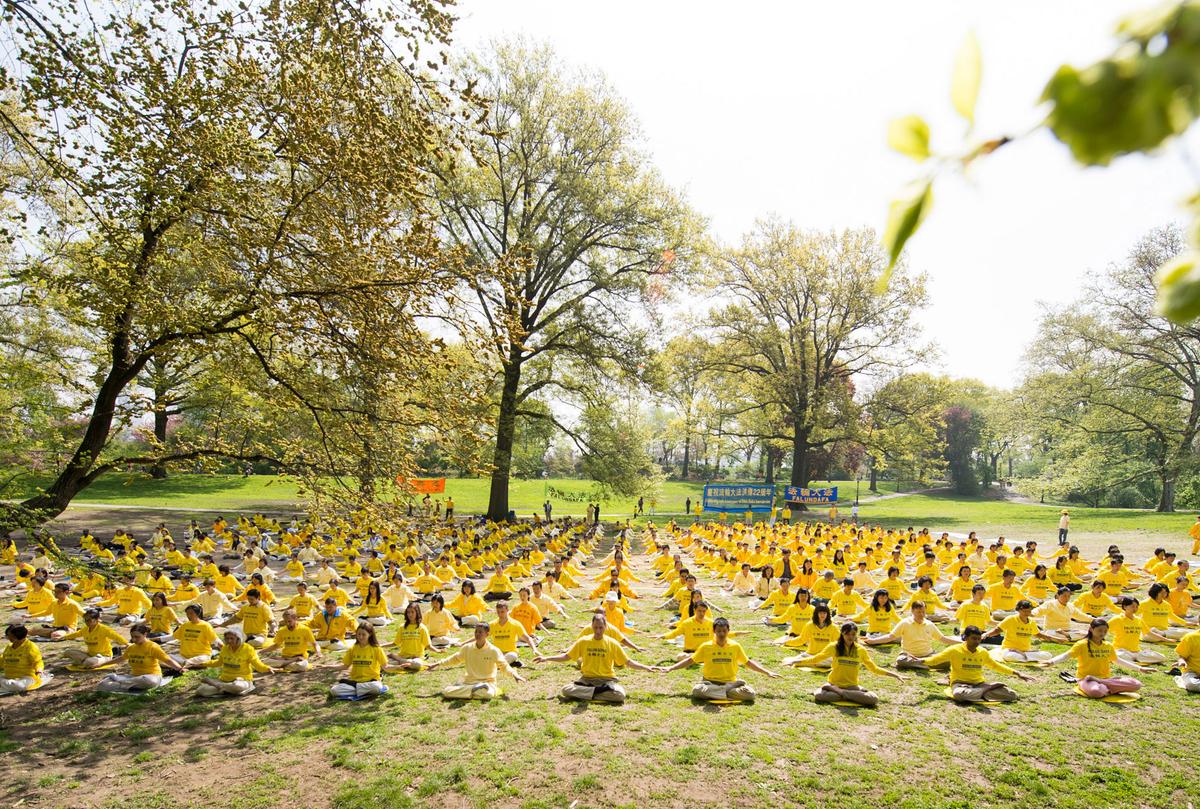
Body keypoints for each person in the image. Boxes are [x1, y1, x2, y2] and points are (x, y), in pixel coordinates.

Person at [534, 612, 656, 704]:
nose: (598, 630)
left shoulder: (612, 643)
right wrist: (547, 658)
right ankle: (596, 692)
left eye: (601, 627)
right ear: (591, 626)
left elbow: (628, 662)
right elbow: (566, 657)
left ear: (605, 627)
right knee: (565, 690)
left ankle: (588, 693)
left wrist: (647, 667)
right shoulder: (584, 641)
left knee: (620, 695)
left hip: (606, 681)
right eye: (596, 627)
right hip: (587, 680)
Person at [658, 617, 778, 702]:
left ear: (728, 631)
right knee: (697, 691)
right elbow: (690, 661)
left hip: (730, 683)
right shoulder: (706, 646)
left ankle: (719, 693)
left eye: (724, 631)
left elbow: (748, 663)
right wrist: (671, 668)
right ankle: (724, 692)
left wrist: (767, 672)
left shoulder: (735, 646)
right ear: (714, 631)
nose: (721, 634)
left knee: (750, 695)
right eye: (719, 631)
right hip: (709, 683)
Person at [787, 622, 904, 707]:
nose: (851, 637)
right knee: (818, 695)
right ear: (842, 634)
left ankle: (840, 692)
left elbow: (873, 668)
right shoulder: (834, 647)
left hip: (851, 686)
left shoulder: (860, 650)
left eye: (853, 635)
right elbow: (816, 659)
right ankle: (846, 693)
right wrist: (796, 661)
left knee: (874, 699)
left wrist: (894, 675)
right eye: (848, 634)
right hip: (834, 683)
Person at [924, 625, 1033, 703]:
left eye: (979, 639)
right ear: (966, 638)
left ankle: (981, 691)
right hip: (961, 684)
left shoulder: (982, 652)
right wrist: (921, 661)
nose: (976, 642)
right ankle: (986, 690)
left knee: (1011, 695)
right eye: (973, 639)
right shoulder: (954, 650)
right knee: (958, 695)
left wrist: (1017, 673)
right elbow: (935, 660)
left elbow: (995, 665)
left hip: (978, 684)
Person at [1047, 618, 1151, 699]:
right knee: (1096, 692)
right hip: (1086, 680)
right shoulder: (1082, 644)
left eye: (1105, 631)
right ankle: (1109, 687)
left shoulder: (1108, 645)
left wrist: (1140, 669)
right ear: (1091, 629)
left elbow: (1117, 660)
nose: (1102, 633)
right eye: (1099, 630)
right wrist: (1052, 662)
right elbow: (1066, 655)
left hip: (1105, 679)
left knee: (1137, 685)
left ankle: (1104, 685)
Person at [428, 622, 526, 699]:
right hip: (469, 683)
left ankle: (465, 691)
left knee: (488, 694)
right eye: (476, 631)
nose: (477, 634)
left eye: (480, 632)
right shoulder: (467, 648)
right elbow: (454, 659)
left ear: (487, 634)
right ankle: (471, 690)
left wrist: (515, 675)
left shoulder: (493, 650)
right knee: (446, 692)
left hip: (487, 684)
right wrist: (437, 663)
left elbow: (504, 666)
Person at [863, 600, 956, 669]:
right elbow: (891, 636)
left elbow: (943, 639)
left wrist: (961, 643)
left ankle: (921, 664)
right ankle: (924, 664)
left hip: (928, 655)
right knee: (901, 661)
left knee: (949, 661)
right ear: (912, 611)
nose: (921, 614)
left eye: (923, 612)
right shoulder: (905, 623)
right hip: (909, 655)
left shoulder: (929, 624)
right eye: (918, 612)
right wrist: (873, 641)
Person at [96, 622, 183, 693]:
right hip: (133, 677)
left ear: (145, 634)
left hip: (151, 677)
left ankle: (120, 683)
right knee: (102, 685)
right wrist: (101, 664)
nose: (134, 640)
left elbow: (167, 660)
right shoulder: (131, 648)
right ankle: (128, 686)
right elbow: (121, 658)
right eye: (132, 637)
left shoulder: (152, 647)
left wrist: (179, 668)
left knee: (150, 681)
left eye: (137, 637)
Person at [197, 628, 275, 696]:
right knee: (201, 690)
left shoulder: (248, 649)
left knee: (239, 686)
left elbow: (257, 664)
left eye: (232, 638)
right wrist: (202, 664)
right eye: (227, 638)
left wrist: (267, 668)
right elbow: (218, 663)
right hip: (225, 680)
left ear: (238, 639)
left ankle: (217, 685)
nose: (229, 641)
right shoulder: (225, 649)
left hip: (242, 680)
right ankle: (225, 689)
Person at [982, 600, 1056, 663]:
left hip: (1025, 651)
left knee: (1047, 655)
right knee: (1010, 656)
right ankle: (1028, 658)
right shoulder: (1010, 619)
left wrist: (1055, 639)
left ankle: (1026, 657)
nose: (1027, 613)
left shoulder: (1032, 622)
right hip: (1010, 650)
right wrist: (986, 634)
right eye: (1024, 611)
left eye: (1029, 611)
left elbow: (1039, 634)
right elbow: (997, 630)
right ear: (1019, 610)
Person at [330, 622, 391, 699]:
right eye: (358, 634)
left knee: (376, 688)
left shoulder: (377, 649)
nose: (360, 637)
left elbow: (386, 667)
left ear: (370, 634)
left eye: (363, 634)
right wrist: (328, 667)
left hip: (371, 682)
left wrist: (399, 667)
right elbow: (345, 666)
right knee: (334, 691)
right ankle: (361, 690)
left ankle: (357, 689)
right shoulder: (353, 648)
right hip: (356, 681)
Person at [62, 608, 126, 669]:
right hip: (90, 655)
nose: (87, 622)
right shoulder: (85, 629)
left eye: (89, 620)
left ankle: (84, 662)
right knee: (67, 652)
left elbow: (116, 636)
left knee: (89, 662)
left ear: (97, 619)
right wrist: (64, 637)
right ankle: (84, 662)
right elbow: (76, 634)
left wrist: (127, 643)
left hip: (104, 656)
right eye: (85, 620)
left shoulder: (104, 629)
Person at [0, 624, 49, 695]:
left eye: (9, 635)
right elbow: (2, 660)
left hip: (25, 678)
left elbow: (37, 661)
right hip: (8, 677)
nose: (7, 637)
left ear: (16, 636)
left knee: (18, 685)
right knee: (11, 683)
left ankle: (4, 685)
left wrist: (39, 670)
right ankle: (5, 684)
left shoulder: (30, 647)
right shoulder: (9, 647)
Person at [389, 602, 432, 671]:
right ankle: (403, 662)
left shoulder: (422, 628)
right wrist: (380, 645)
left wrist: (437, 650)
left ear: (417, 613)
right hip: (403, 655)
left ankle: (398, 659)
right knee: (384, 663)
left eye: (412, 612)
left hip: (417, 658)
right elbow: (395, 643)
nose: (410, 614)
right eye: (408, 612)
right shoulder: (402, 627)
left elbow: (428, 645)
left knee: (417, 664)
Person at [1173, 627, 1200, 692]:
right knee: (1192, 685)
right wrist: (1181, 661)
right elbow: (1181, 657)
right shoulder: (1191, 637)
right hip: (1192, 672)